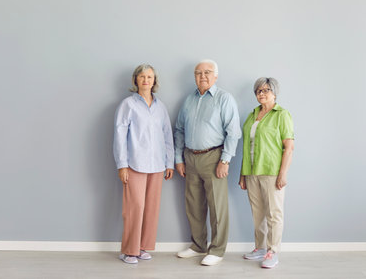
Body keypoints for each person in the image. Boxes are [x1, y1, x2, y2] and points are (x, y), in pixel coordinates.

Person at [174, 59, 241, 266]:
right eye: (198, 73)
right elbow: (179, 130)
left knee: (217, 206)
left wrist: (225, 160)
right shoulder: (188, 100)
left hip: (214, 157)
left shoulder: (224, 98)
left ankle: (217, 250)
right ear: (194, 76)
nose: (202, 76)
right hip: (190, 157)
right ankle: (198, 245)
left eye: (207, 72)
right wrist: (179, 158)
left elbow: (233, 132)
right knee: (193, 205)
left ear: (215, 76)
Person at [113, 64, 174, 264]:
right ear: (136, 80)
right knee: (135, 207)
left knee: (151, 208)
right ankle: (129, 250)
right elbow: (120, 135)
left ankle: (141, 247)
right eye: (142, 76)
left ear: (154, 81)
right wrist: (122, 165)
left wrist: (170, 163)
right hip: (134, 163)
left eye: (149, 77)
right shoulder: (127, 105)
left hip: (157, 164)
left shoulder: (160, 107)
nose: (146, 80)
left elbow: (167, 136)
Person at [238, 77, 294, 269]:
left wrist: (283, 174)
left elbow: (289, 147)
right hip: (252, 172)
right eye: (258, 91)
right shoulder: (252, 115)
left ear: (274, 93)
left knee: (274, 213)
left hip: (272, 171)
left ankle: (273, 251)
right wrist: (242, 173)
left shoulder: (282, 114)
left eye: (266, 90)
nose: (262, 93)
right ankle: (260, 248)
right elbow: (247, 146)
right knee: (258, 213)